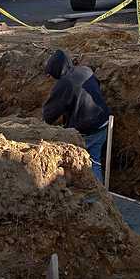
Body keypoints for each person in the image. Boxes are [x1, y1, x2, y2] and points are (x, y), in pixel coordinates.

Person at [42, 50, 110, 182]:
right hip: (103, 122)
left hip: (86, 129)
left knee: (78, 163)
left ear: (56, 69)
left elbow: (49, 114)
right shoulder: (85, 70)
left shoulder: (64, 83)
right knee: (94, 161)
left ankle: (86, 194)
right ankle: (100, 195)